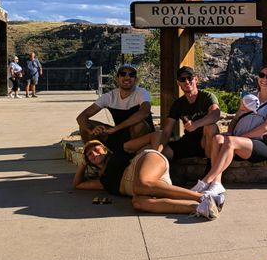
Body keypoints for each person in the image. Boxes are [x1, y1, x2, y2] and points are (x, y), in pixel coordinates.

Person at [73, 134, 220, 218]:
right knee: (138, 203)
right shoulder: (103, 181)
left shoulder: (120, 150)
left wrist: (156, 154)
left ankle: (201, 196)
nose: (94, 154)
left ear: (104, 149)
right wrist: (82, 164)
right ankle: (201, 208)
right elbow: (77, 185)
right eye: (89, 155)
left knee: (141, 185)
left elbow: (156, 134)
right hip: (147, 186)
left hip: (146, 163)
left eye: (96, 149)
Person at [195, 64, 267, 196]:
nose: (264, 79)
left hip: (262, 145)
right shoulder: (250, 97)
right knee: (217, 138)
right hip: (240, 141)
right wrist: (231, 131)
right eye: (261, 75)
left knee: (231, 142)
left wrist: (242, 137)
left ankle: (206, 181)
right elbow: (236, 118)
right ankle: (217, 183)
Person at [76, 64, 154, 151]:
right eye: (123, 74)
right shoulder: (109, 96)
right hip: (120, 134)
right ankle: (92, 155)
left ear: (135, 80)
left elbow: (144, 112)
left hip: (140, 136)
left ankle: (135, 154)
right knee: (85, 125)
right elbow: (81, 117)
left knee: (139, 125)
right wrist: (91, 131)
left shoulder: (141, 93)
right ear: (117, 79)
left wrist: (117, 128)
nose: (127, 77)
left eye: (131, 75)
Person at [159, 66, 221, 161]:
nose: (187, 82)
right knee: (161, 154)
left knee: (211, 127)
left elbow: (215, 115)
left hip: (205, 141)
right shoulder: (178, 104)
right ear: (178, 83)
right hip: (188, 142)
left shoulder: (207, 97)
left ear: (196, 79)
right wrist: (158, 151)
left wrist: (196, 124)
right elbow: (167, 131)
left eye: (190, 78)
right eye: (182, 79)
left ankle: (210, 166)